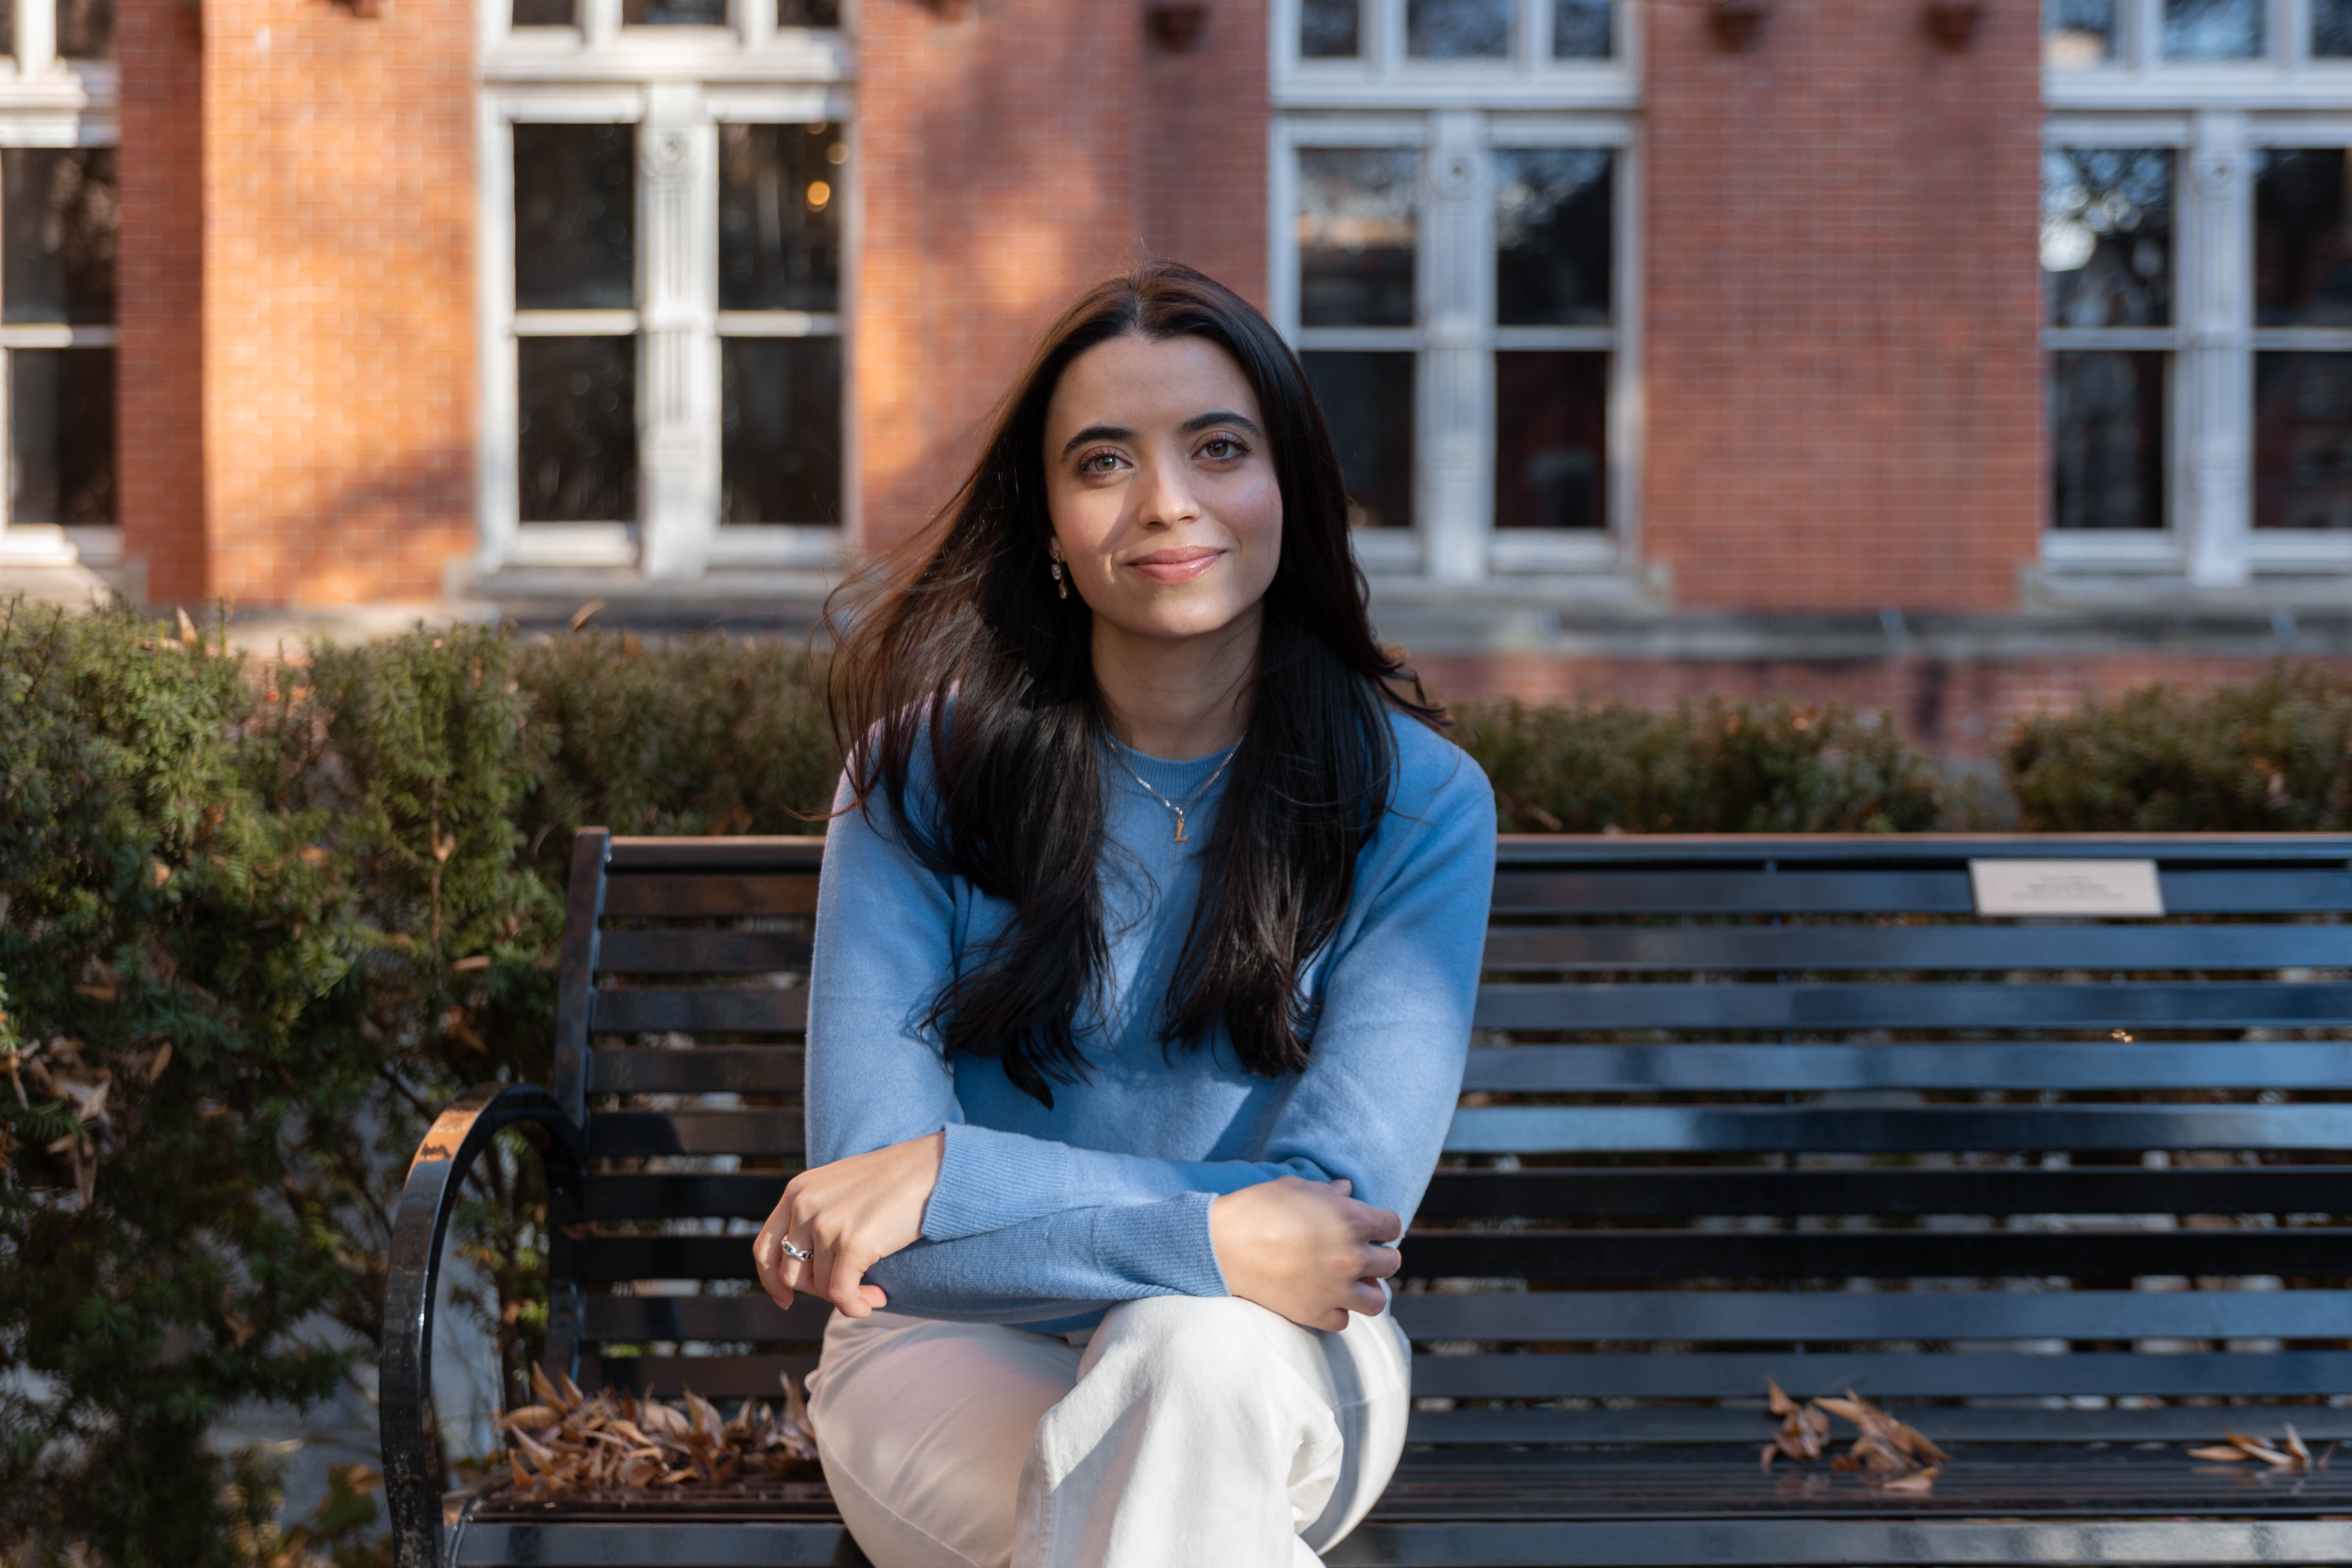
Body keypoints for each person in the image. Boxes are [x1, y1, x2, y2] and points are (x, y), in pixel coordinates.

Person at [751, 261, 1495, 1568]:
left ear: (1290, 489)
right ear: (1047, 516)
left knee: (1189, 1355)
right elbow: (888, 1257)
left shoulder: (1417, 804)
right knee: (1164, 1450)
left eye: (1219, 447)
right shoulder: (918, 782)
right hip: (948, 1354)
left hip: (1288, 1357)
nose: (1168, 503)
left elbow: (1331, 1233)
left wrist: (955, 1175)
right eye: (1103, 462)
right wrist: (1208, 1228)